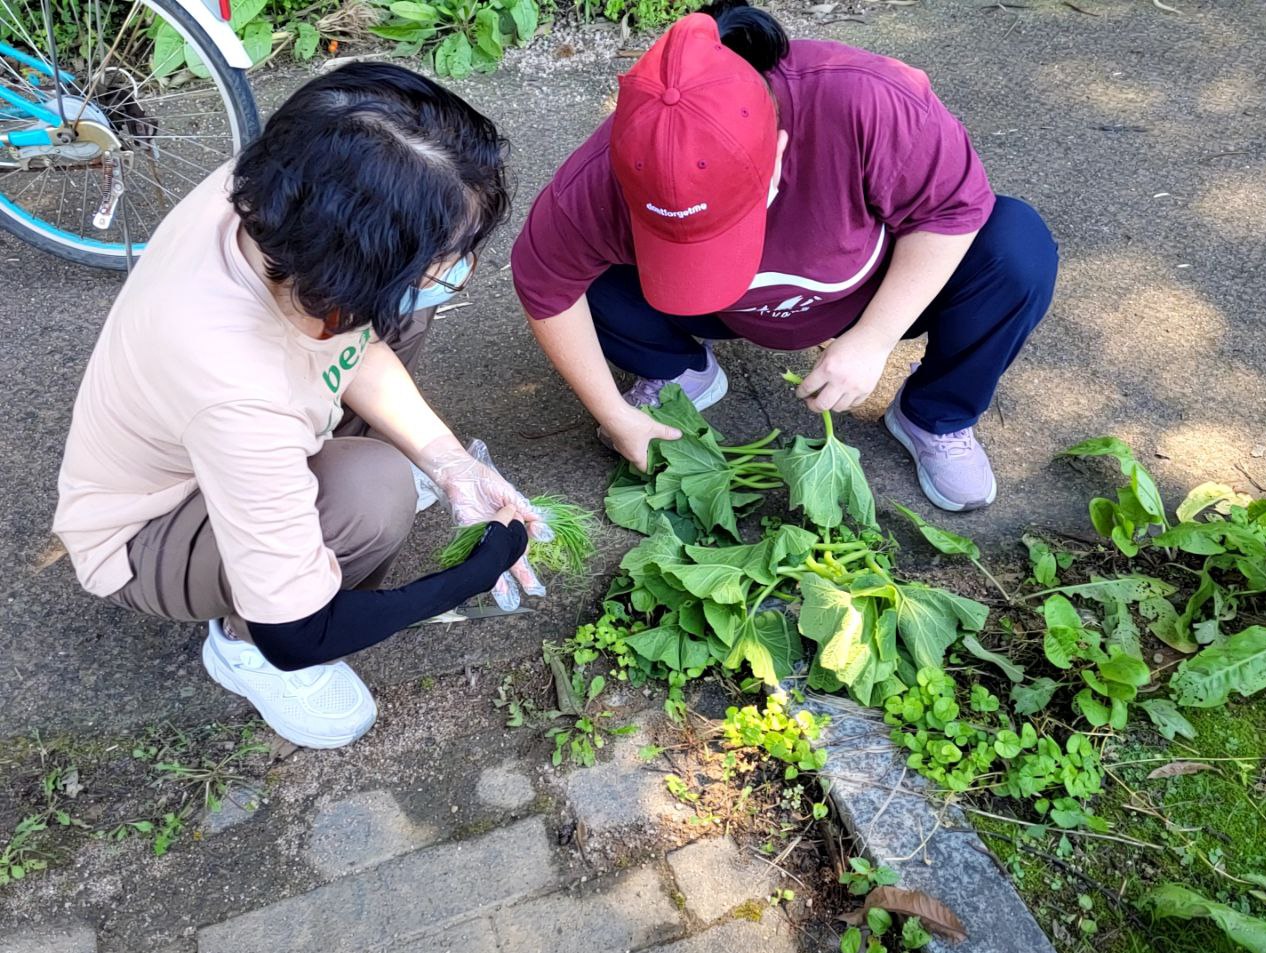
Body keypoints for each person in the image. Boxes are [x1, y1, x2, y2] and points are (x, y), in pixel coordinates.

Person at [53, 64, 548, 750]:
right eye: (453, 255)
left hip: (241, 428)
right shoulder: (234, 389)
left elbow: (359, 338)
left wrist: (450, 462)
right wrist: (471, 574)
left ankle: (326, 490)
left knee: (403, 315)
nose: (461, 270)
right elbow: (301, 634)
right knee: (372, 496)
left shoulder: (286, 193)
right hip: (150, 527)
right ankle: (236, 644)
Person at [510, 0, 1058, 512]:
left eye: (728, 226)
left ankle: (934, 416)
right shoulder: (599, 176)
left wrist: (873, 339)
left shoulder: (869, 100)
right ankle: (679, 371)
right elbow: (545, 284)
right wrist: (613, 414)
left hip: (865, 289)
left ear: (777, 150)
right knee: (587, 279)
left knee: (1015, 246)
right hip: (721, 309)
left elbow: (951, 211)